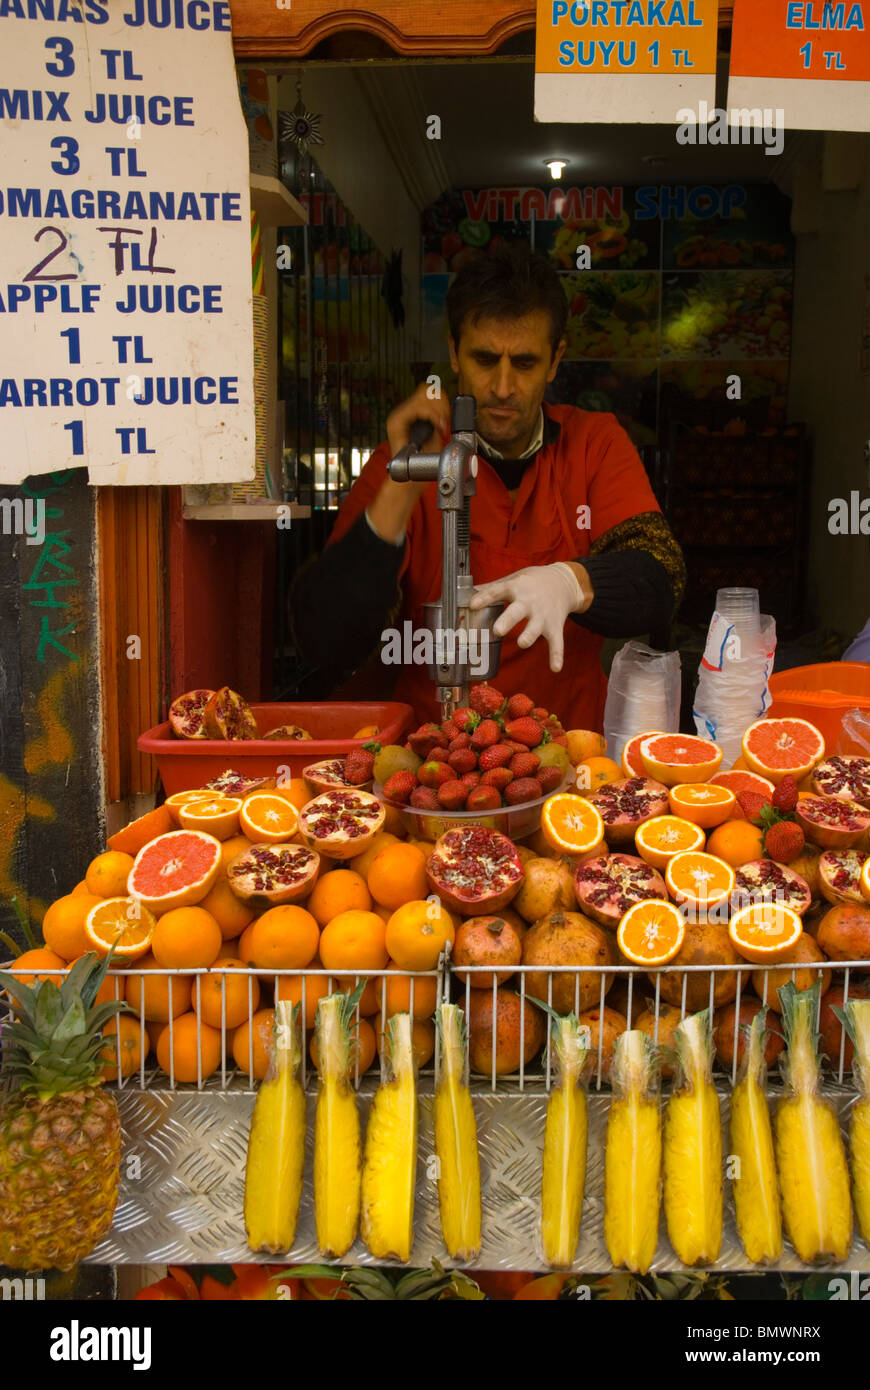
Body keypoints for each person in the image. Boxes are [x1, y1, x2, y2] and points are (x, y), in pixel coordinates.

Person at [290, 243, 686, 729]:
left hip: (568, 760)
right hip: (429, 760)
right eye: (484, 359)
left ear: (555, 361)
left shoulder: (594, 443)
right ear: (454, 352)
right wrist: (401, 490)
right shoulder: (410, 455)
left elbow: (661, 578)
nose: (501, 387)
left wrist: (571, 582)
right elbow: (325, 639)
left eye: (523, 363)